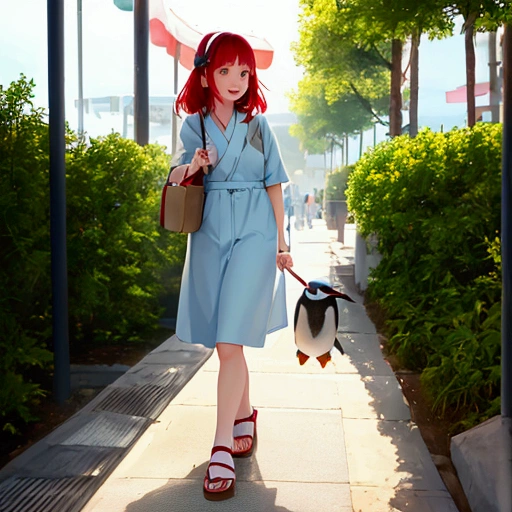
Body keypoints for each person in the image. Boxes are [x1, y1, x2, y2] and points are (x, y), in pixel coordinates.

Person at [169, 31, 293, 501]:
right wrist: (195, 164)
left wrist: (282, 240)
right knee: (227, 339)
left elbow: (275, 185)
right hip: (210, 234)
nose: (236, 80)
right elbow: (177, 174)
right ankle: (244, 415)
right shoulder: (193, 124)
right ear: (205, 74)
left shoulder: (259, 125)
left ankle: (222, 447)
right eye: (225, 71)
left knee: (229, 340)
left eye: (243, 71)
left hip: (256, 235)